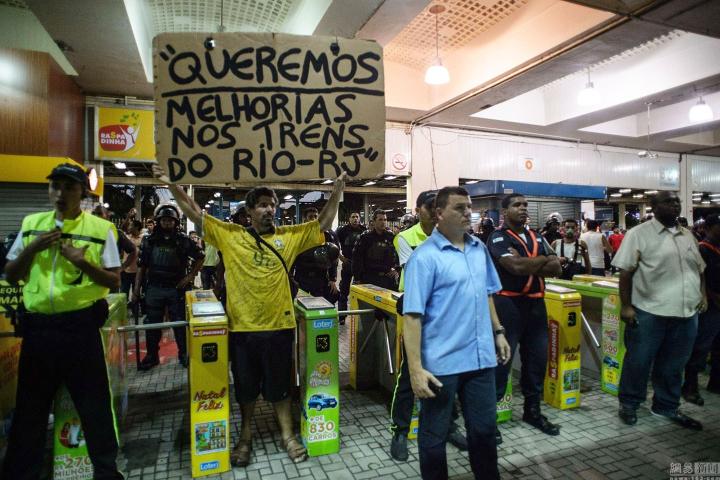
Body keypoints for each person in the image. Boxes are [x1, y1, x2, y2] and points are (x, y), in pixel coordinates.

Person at [152, 164, 346, 466]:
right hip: (242, 330)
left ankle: (287, 435)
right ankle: (245, 437)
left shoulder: (289, 236)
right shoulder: (230, 236)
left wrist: (337, 190)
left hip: (280, 327)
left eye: (273, 205)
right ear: (250, 211)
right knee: (245, 390)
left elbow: (323, 221)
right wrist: (172, 185)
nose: (269, 210)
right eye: (263, 205)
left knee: (280, 387)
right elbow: (194, 213)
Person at [1, 163, 124, 479]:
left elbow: (114, 281)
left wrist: (83, 263)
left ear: (82, 192)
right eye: (55, 186)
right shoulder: (31, 225)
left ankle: (106, 471)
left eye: (69, 187)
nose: (61, 193)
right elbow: (11, 274)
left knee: (94, 407)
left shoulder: (101, 229)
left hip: (80, 330)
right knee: (30, 411)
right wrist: (32, 248)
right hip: (38, 330)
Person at [402, 186, 511, 480]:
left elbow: (487, 293)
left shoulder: (478, 249)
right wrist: (415, 370)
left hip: (480, 360)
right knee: (434, 436)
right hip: (442, 364)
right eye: (460, 208)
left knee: (484, 431)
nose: (468, 213)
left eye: (469, 207)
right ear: (439, 213)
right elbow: (412, 317)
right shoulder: (424, 258)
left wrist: (498, 331)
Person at [611, 191, 706, 430]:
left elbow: (699, 270)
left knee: (674, 364)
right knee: (639, 361)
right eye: (668, 201)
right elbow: (625, 273)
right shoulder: (638, 234)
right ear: (653, 206)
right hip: (649, 311)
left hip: (686, 313)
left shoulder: (688, 235)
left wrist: (702, 295)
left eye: (677, 201)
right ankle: (629, 403)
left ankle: (666, 406)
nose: (675, 205)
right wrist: (626, 306)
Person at [389, 190, 467, 462]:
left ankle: (449, 425)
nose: (435, 212)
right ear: (418, 210)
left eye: (438, 207)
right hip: (417, 314)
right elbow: (419, 271)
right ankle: (399, 431)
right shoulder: (405, 238)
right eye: (429, 207)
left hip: (446, 315)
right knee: (408, 375)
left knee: (446, 372)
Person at [487, 193, 562, 443]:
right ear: (504, 211)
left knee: (536, 361)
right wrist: (543, 260)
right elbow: (515, 267)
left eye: (525, 205)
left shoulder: (537, 236)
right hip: (508, 306)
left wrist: (528, 260)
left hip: (536, 306)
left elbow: (557, 267)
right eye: (517, 205)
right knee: (501, 364)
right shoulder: (498, 237)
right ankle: (488, 420)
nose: (523, 208)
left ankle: (533, 411)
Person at [133, 203, 204, 370]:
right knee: (152, 324)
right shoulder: (149, 241)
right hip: (154, 288)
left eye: (170, 220)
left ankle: (184, 354)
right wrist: (136, 290)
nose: (167, 223)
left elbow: (200, 256)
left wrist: (189, 277)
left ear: (176, 222)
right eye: (164, 220)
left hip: (176, 289)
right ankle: (152, 356)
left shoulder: (183, 240)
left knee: (180, 324)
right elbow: (141, 267)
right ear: (158, 221)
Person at [681, 213, 720, 405]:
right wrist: (712, 297)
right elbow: (702, 278)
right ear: (709, 228)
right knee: (701, 348)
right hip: (709, 307)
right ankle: (690, 386)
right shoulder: (703, 249)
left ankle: (716, 382)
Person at [291, 207, 341, 303]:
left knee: (322, 303)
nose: (314, 219)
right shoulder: (298, 235)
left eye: (315, 216)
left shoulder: (327, 235)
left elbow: (333, 258)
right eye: (310, 217)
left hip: (320, 276)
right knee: (301, 304)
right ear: (304, 219)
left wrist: (332, 279)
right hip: (302, 277)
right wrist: (291, 277)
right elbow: (292, 257)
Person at [352, 210, 399, 290]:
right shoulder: (365, 238)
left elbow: (399, 254)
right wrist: (357, 278)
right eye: (380, 220)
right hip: (369, 279)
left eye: (385, 220)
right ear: (374, 222)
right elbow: (357, 259)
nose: (383, 222)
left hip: (387, 279)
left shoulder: (391, 237)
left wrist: (396, 269)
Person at [336, 212, 366, 321]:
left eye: (357, 217)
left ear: (359, 219)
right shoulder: (342, 231)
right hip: (347, 264)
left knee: (360, 291)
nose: (355, 219)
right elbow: (334, 244)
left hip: (360, 266)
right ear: (349, 219)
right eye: (353, 217)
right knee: (344, 290)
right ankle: (342, 317)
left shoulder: (364, 231)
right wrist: (341, 257)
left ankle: (361, 318)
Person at [121, 220, 143, 298]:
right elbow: (122, 228)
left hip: (137, 272)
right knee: (123, 294)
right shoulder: (126, 237)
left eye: (131, 225)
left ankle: (135, 306)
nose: (129, 227)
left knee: (136, 294)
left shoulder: (143, 238)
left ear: (136, 227)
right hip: (125, 270)